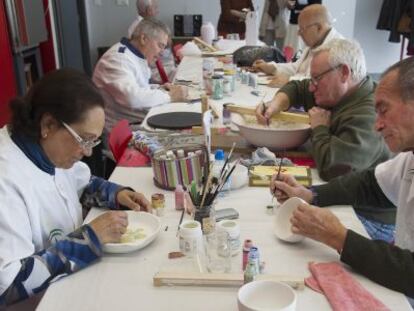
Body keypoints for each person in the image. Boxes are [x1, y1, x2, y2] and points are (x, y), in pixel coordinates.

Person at [0, 68, 152, 306]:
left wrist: (117, 194)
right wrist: (88, 239)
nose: (89, 151)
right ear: (48, 124)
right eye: (84, 139)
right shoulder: (6, 179)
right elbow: (9, 284)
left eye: (93, 140)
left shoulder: (48, 148)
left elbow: (82, 184)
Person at [270, 57, 414, 298]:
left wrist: (339, 237)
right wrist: (310, 194)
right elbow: (371, 185)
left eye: (384, 109)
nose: (377, 126)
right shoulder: (409, 157)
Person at [93, 18, 188, 133]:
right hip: (122, 133)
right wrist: (170, 96)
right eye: (160, 45)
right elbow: (132, 97)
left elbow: (140, 87)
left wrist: (160, 89)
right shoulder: (117, 59)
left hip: (136, 121)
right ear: (143, 39)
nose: (162, 52)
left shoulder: (135, 56)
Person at [253, 4, 342, 87]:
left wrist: (289, 80)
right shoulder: (316, 41)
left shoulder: (338, 49)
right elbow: (296, 68)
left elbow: (318, 82)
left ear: (319, 28)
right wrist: (273, 68)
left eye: (302, 29)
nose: (299, 34)